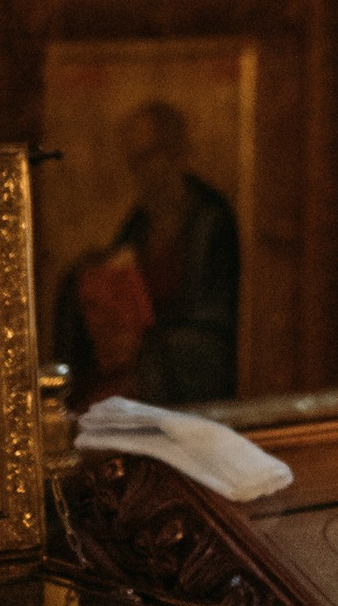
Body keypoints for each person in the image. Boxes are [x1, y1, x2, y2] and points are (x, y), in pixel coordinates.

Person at [51, 102, 242, 405]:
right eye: (134, 161)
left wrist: (148, 345)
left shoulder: (211, 221)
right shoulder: (140, 221)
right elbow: (119, 276)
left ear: (175, 152)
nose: (141, 171)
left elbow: (214, 327)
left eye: (148, 156)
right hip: (141, 359)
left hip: (180, 365)